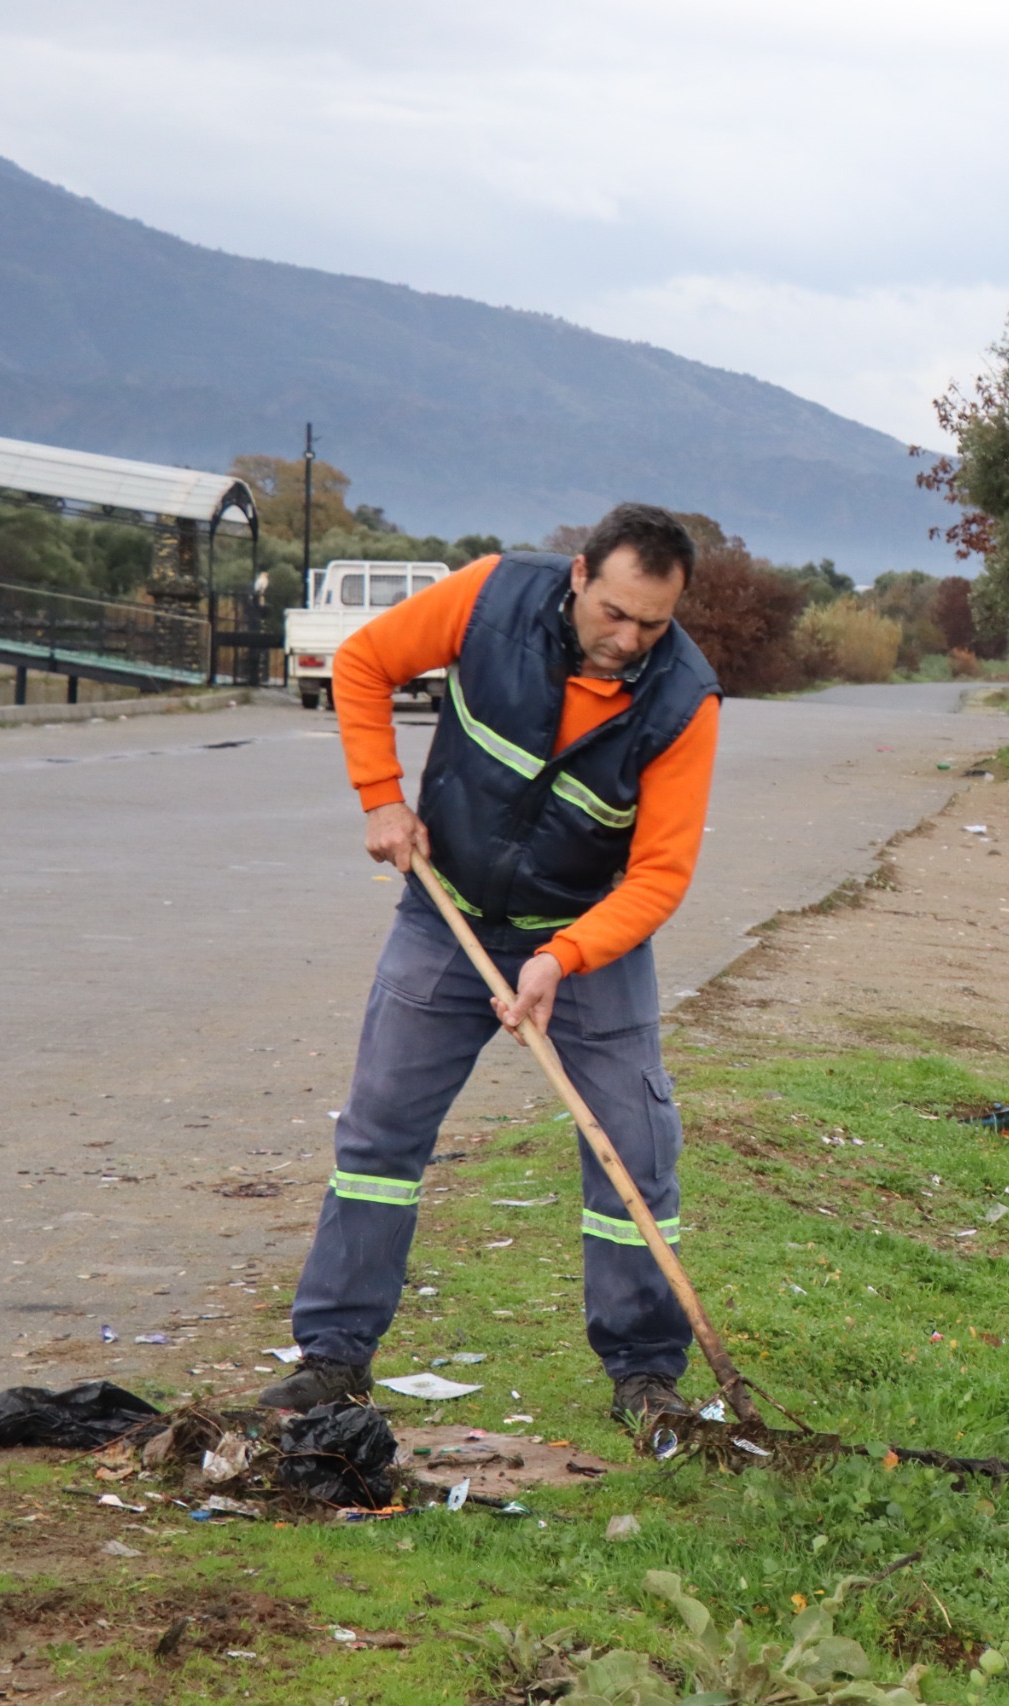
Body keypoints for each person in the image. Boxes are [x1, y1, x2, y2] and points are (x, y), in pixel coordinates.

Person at [258, 504, 722, 1425]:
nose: (627, 640)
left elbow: (661, 875)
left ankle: (645, 1376)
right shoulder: (489, 597)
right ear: (580, 574)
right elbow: (362, 664)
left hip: (589, 944)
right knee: (380, 1135)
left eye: (652, 626)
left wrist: (564, 956)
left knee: (634, 1148)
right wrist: (381, 801)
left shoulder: (683, 701)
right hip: (447, 917)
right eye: (614, 614)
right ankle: (335, 1356)